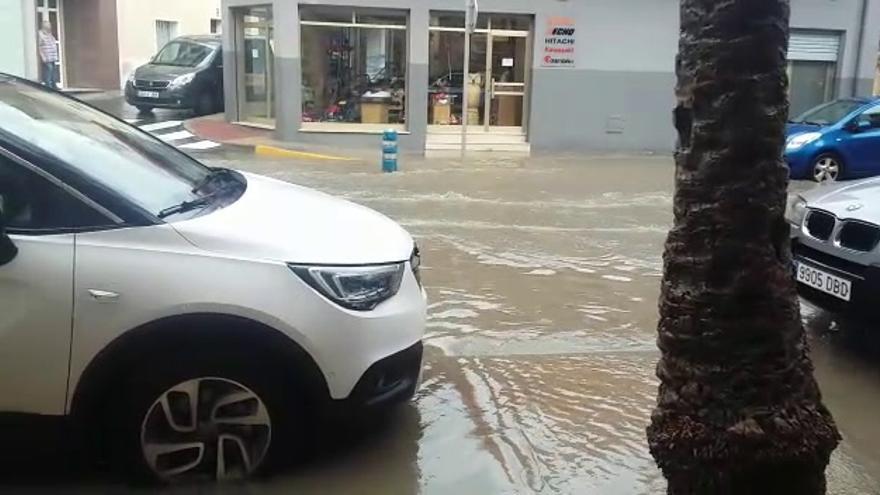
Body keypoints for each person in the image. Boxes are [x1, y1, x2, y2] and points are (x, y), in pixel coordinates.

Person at [38, 20, 59, 89]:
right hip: (46, 57)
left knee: (53, 70)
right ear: (44, 26)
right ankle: (48, 86)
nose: (50, 26)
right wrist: (42, 56)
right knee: (49, 70)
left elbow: (53, 43)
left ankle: (54, 85)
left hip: (52, 57)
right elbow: (39, 46)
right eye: (48, 25)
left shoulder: (49, 34)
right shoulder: (40, 34)